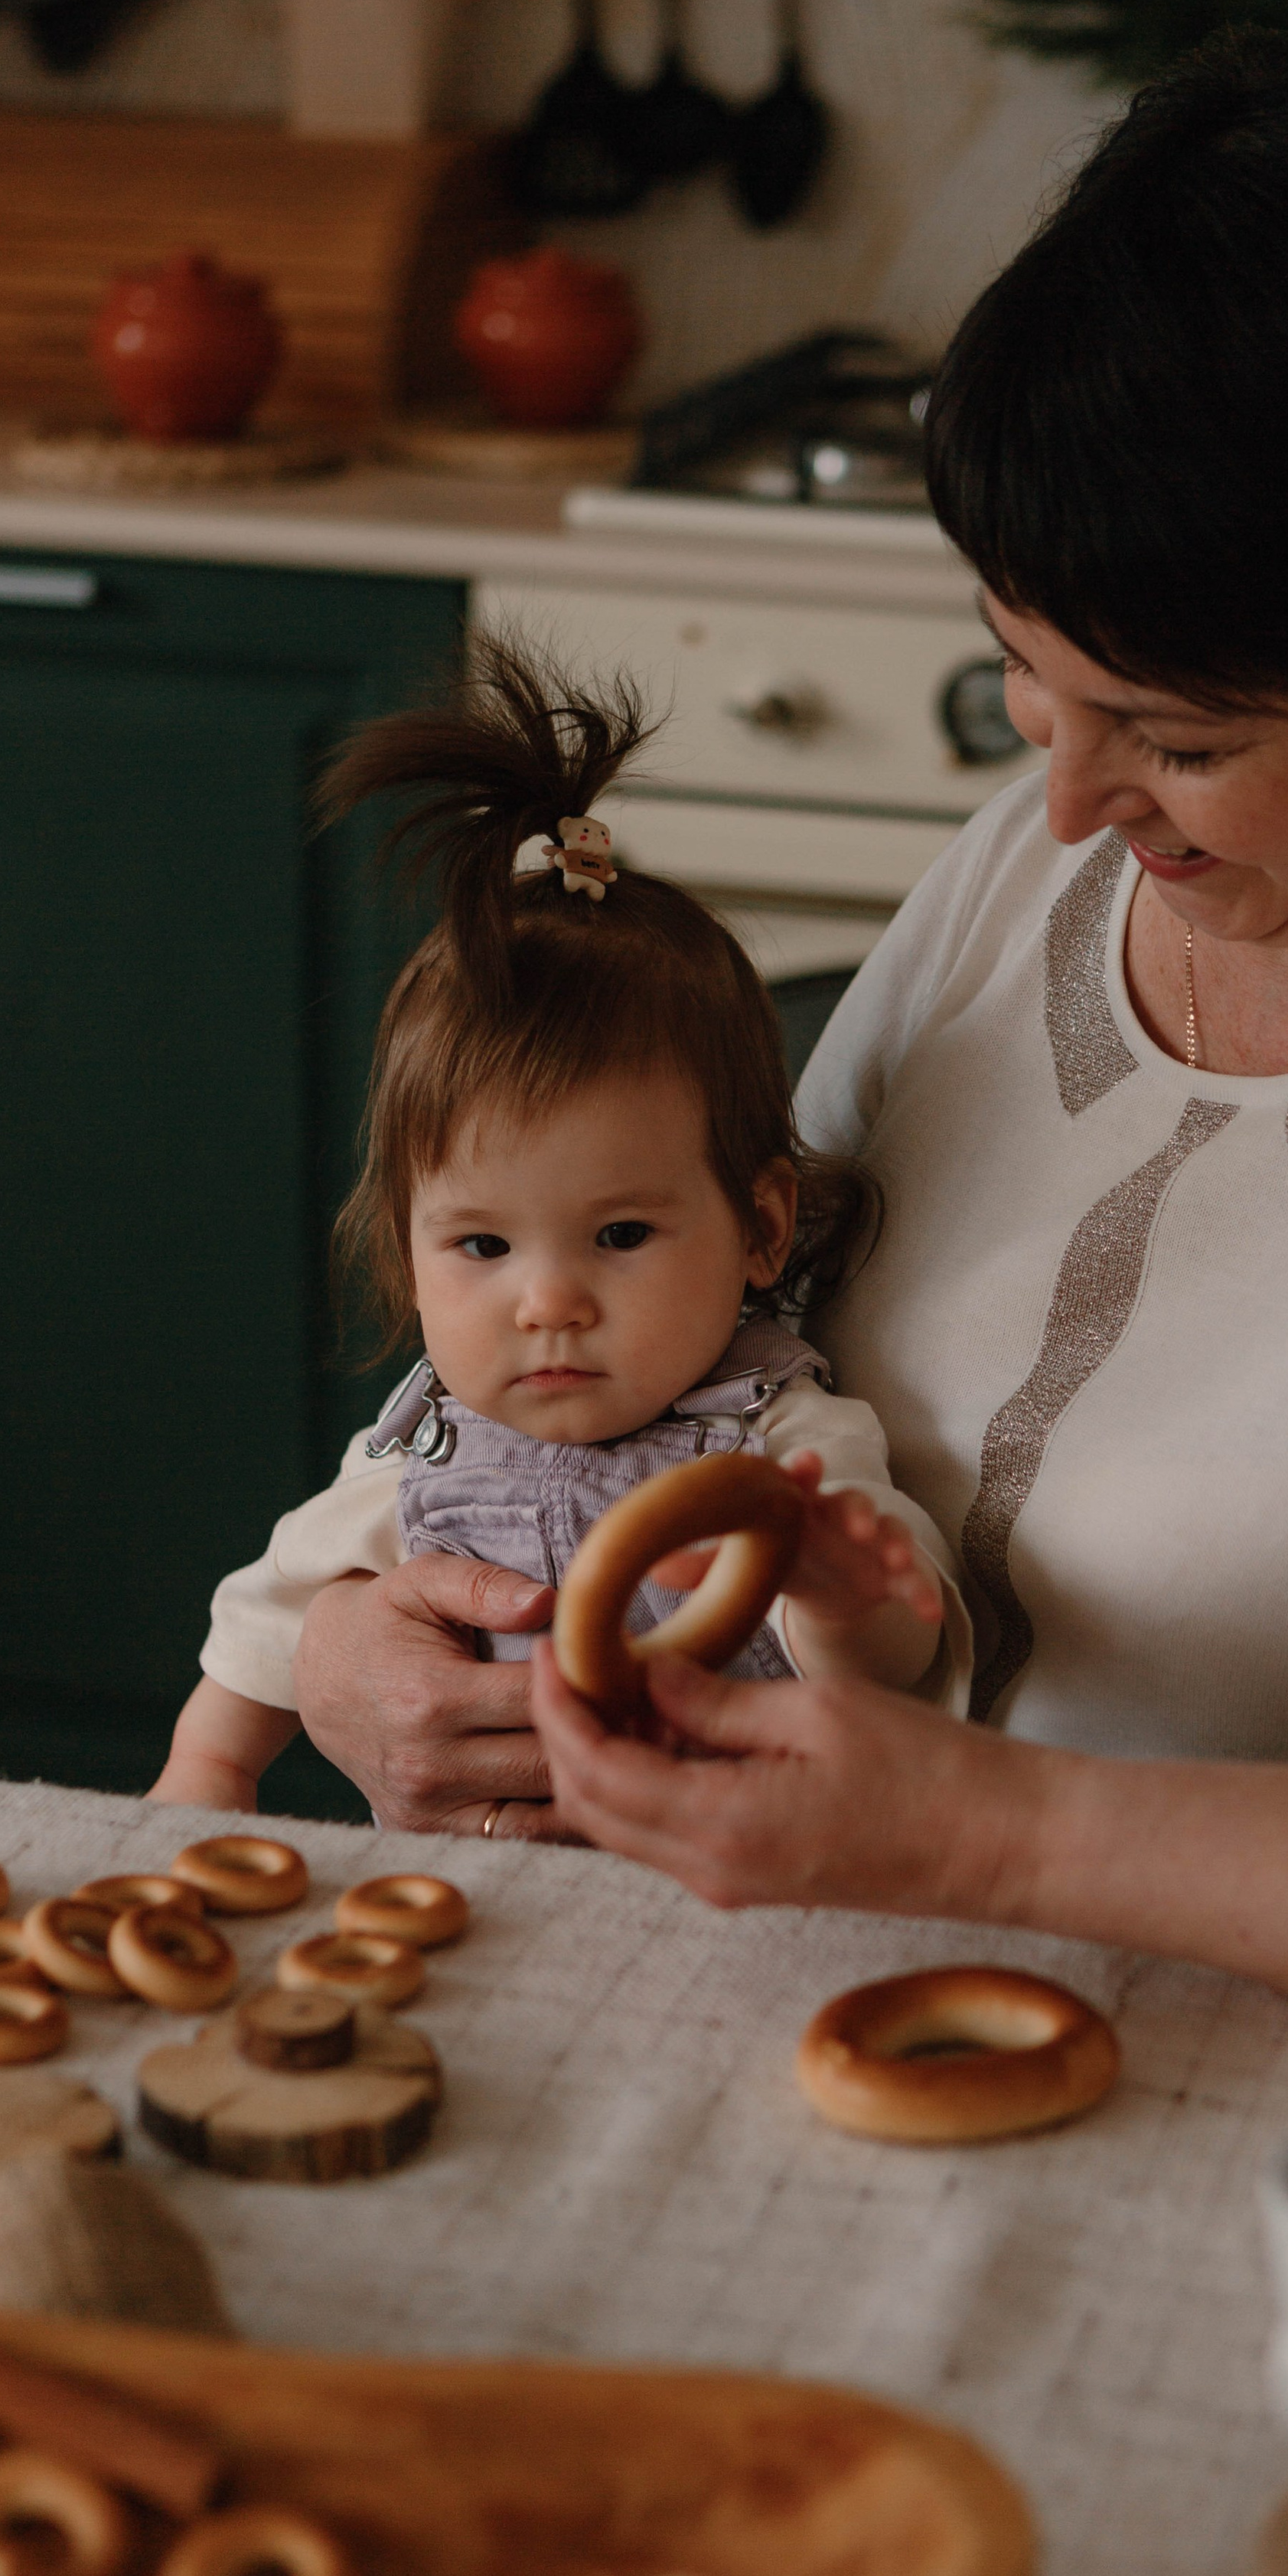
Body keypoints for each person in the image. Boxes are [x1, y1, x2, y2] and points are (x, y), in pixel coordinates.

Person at [292, 36, 1288, 2079]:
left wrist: (993, 1829)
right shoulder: (1057, 877)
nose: (1064, 816)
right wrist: (375, 1635)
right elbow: (691, 1339)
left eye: (1184, 736)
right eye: (1028, 682)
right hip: (824, 2042)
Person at [149, 646, 954, 1816]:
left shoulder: (788, 1454)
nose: (549, 1301)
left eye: (620, 1233)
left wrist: (840, 1595)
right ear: (408, 1244)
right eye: (482, 1246)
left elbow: (900, 1669)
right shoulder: (416, 1464)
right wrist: (203, 1778)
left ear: (761, 1227)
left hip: (737, 1903)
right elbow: (262, 1628)